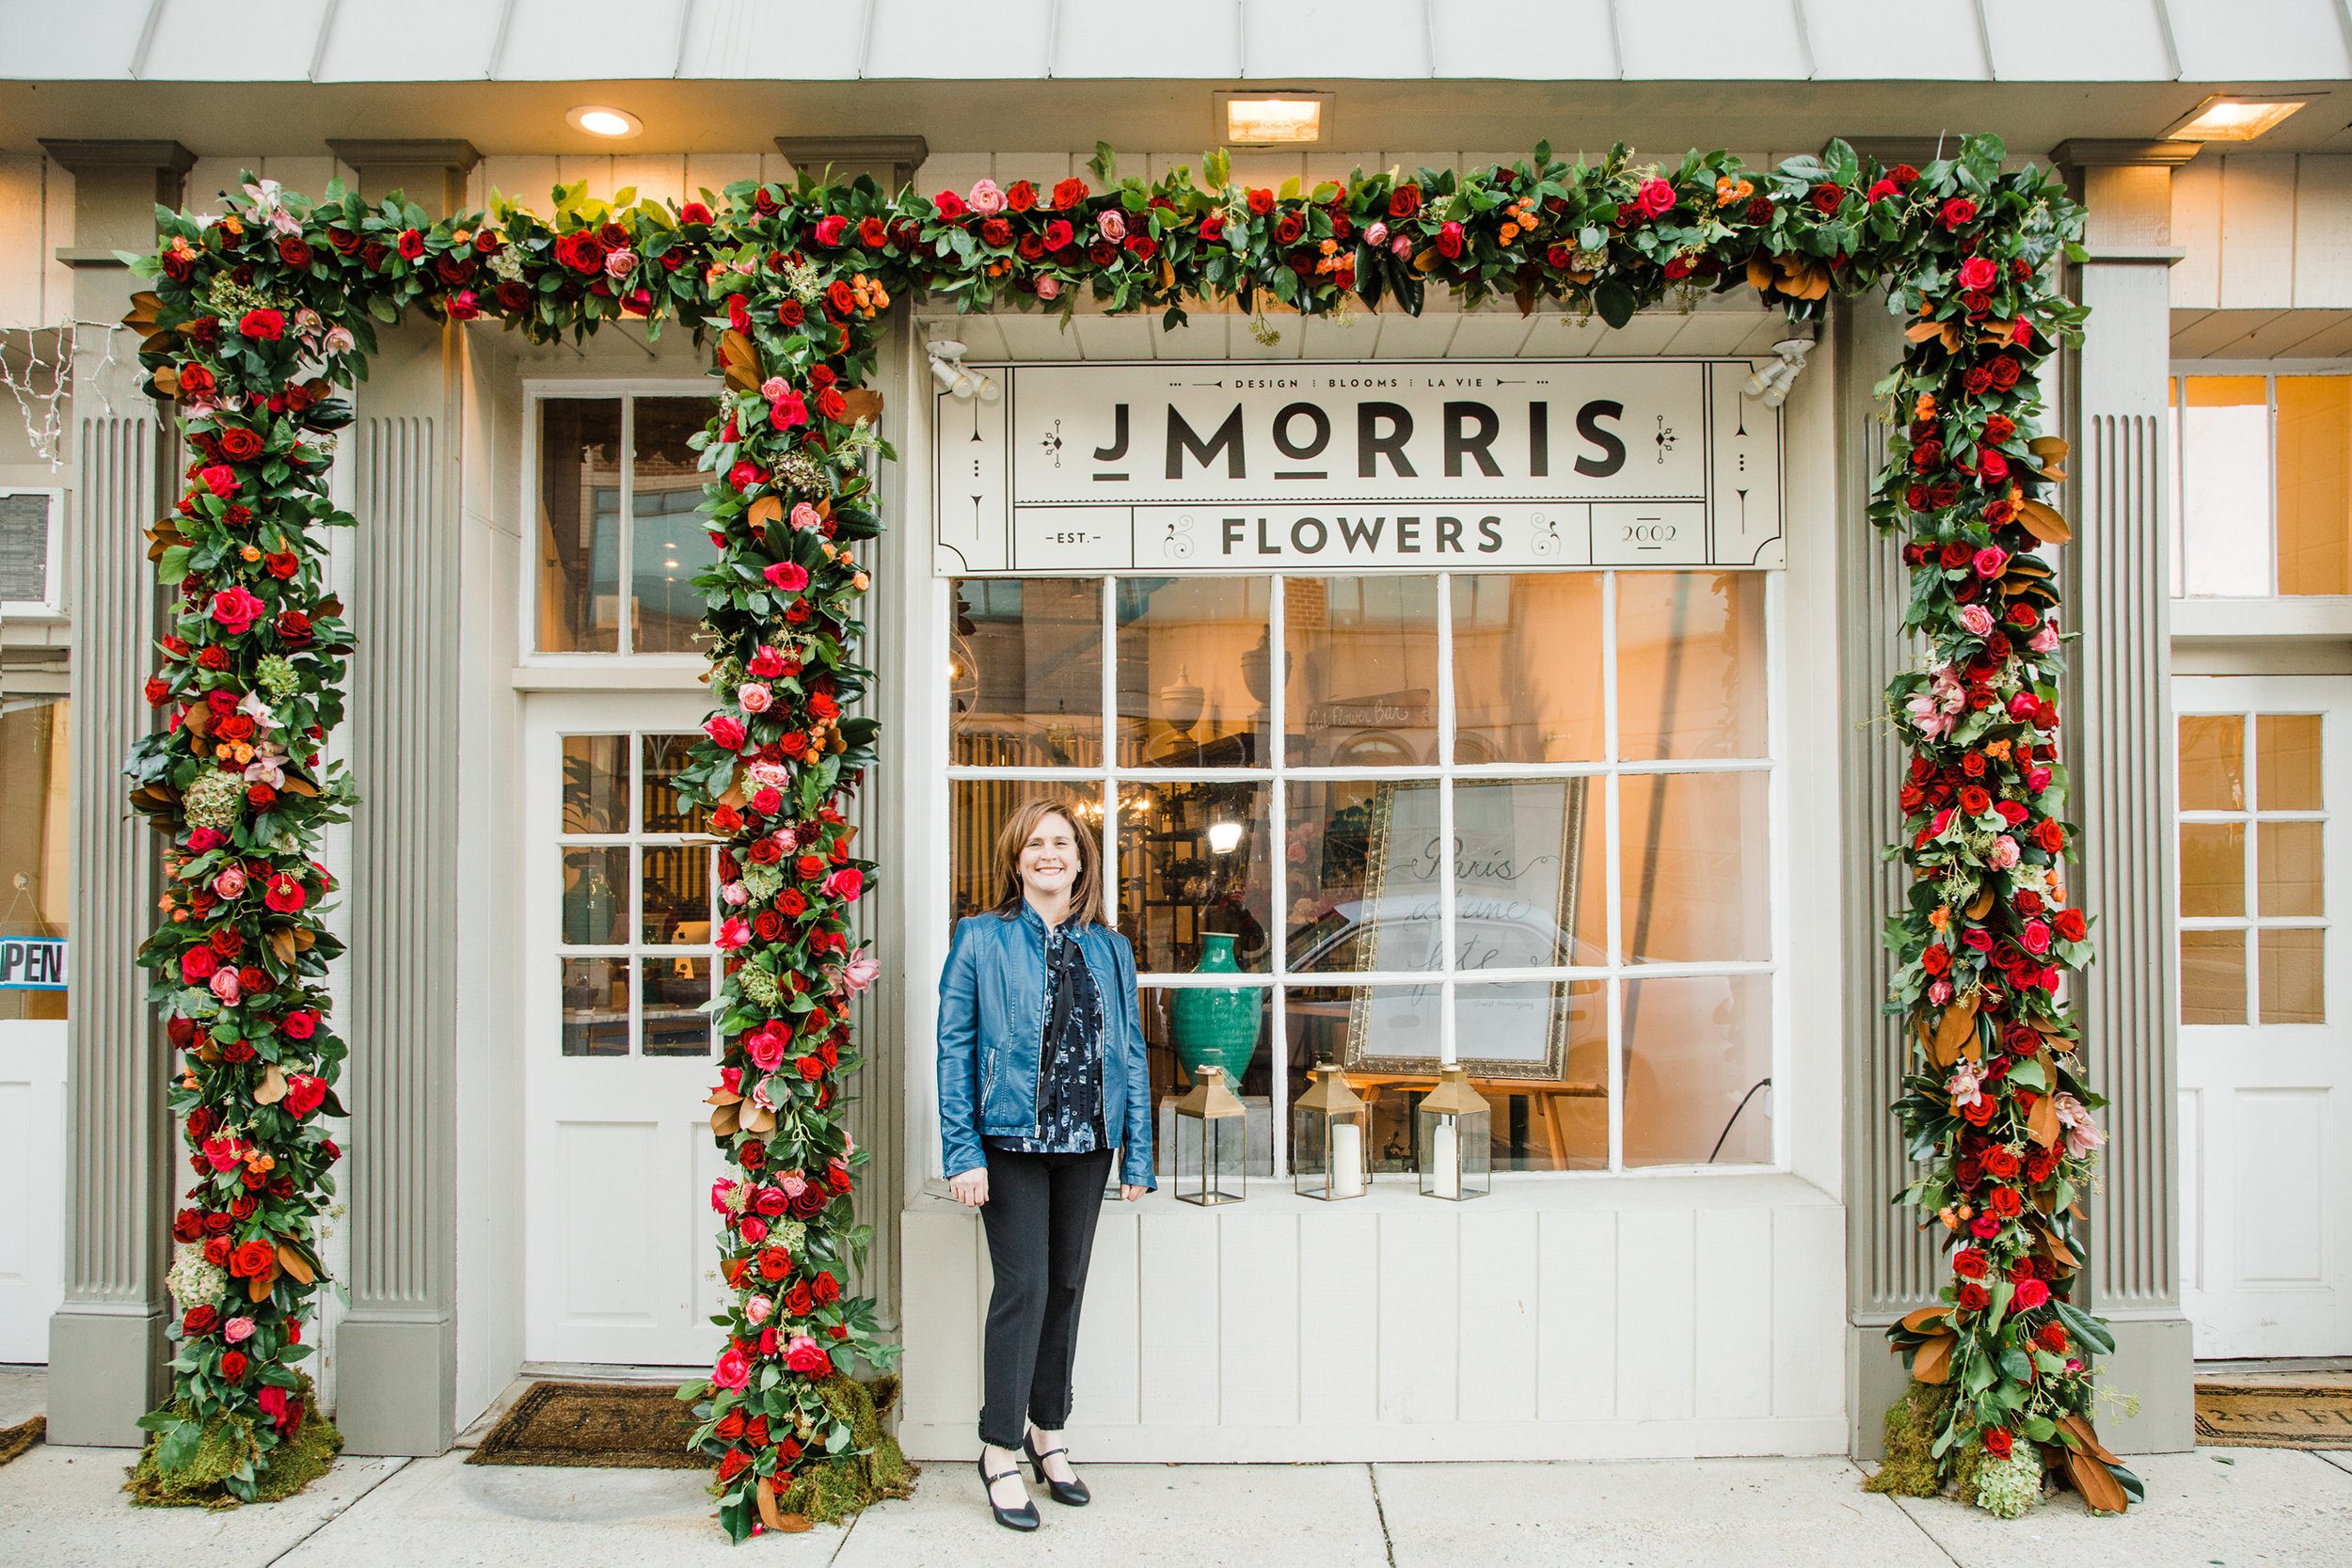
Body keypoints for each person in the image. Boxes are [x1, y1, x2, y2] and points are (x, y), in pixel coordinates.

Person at [936, 795, 1154, 1530]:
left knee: (1065, 1284)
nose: (1049, 853)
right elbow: (955, 1052)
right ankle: (999, 1447)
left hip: (1087, 1143)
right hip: (1010, 1145)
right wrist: (962, 1153)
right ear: (1017, 857)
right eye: (1035, 843)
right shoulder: (979, 938)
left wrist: (1137, 1154)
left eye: (1062, 841)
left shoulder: (1111, 948)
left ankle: (1048, 1432)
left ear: (1081, 858)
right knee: (1023, 1287)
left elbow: (1130, 1052)